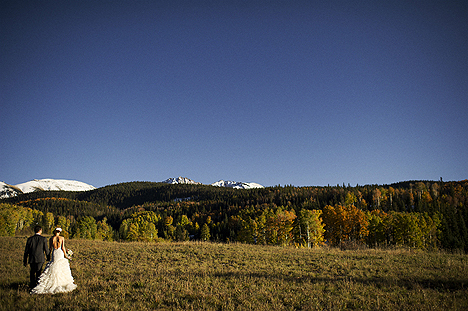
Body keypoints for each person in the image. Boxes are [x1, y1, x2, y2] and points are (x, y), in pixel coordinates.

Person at [30, 228, 77, 294]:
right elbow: (63, 248)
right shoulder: (62, 238)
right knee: (61, 266)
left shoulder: (51, 239)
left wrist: (48, 256)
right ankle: (61, 282)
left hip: (54, 253)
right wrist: (66, 255)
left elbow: (50, 248)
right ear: (59, 232)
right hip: (60, 253)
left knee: (53, 265)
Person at [24, 225, 51, 289]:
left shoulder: (30, 239)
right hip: (40, 258)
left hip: (32, 258)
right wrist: (48, 257)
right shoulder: (43, 239)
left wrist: (25, 260)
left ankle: (32, 285)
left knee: (32, 272)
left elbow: (26, 251)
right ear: (40, 230)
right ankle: (38, 285)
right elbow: (46, 249)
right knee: (39, 272)